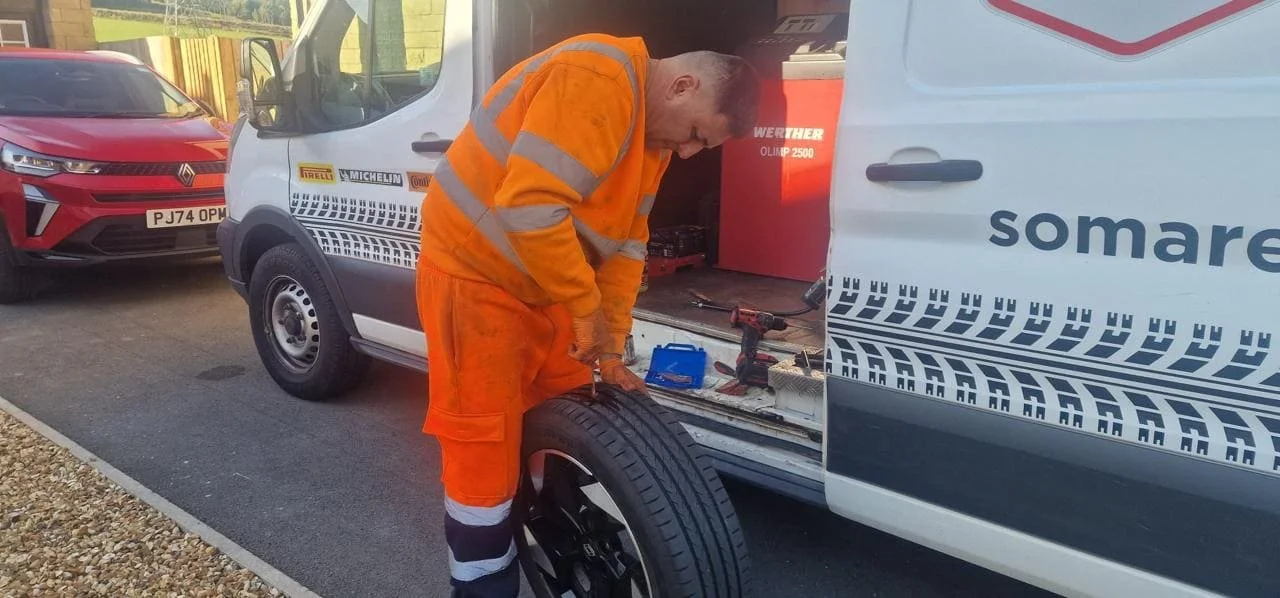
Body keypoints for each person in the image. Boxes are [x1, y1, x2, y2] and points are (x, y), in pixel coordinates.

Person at [414, 32, 761, 597]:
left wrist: (609, 344)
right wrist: (583, 309)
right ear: (681, 85)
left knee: (571, 407)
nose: (693, 151)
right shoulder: (594, 77)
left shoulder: (652, 142)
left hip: (545, 277)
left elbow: (626, 245)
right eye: (698, 134)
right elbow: (529, 208)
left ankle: (550, 525)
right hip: (474, 275)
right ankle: (482, 585)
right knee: (483, 444)